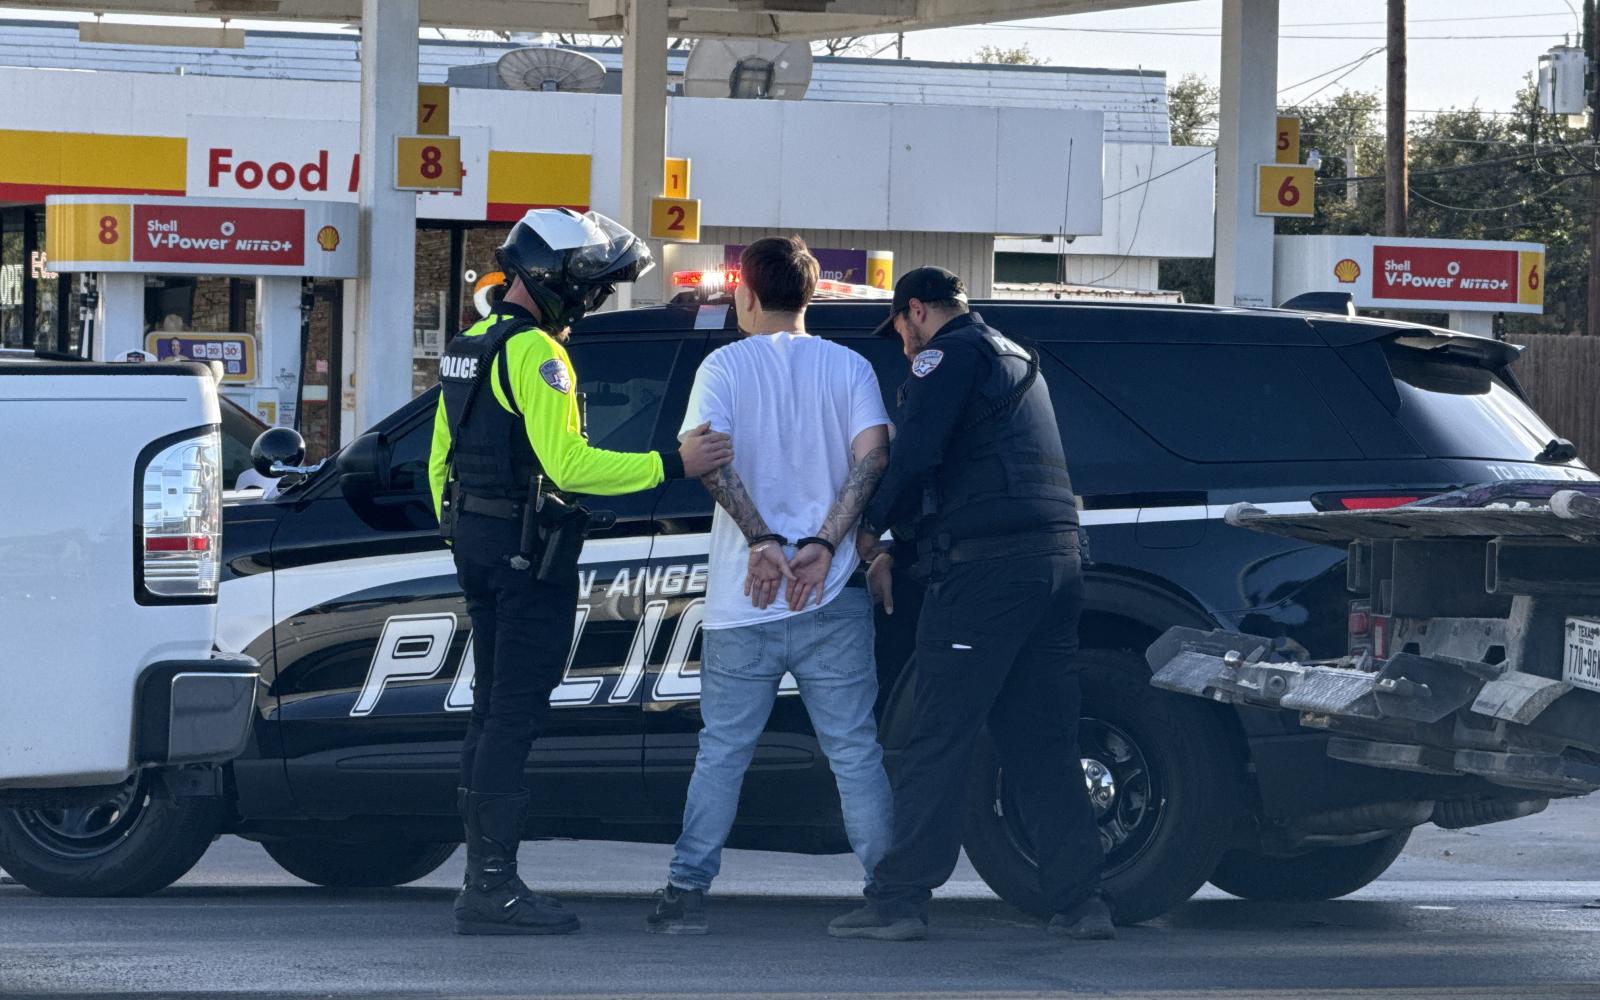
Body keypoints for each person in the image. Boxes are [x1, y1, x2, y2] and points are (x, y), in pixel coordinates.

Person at [427, 208, 733, 936]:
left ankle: (483, 879)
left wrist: (469, 535)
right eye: (589, 288)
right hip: (528, 556)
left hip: (481, 544)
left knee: (489, 706)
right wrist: (673, 465)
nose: (592, 302)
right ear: (553, 278)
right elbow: (569, 465)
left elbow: (437, 462)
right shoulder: (539, 355)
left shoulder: (470, 345)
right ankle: (492, 887)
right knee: (515, 713)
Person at [827, 266, 1112, 943]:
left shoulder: (947, 355)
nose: (900, 344)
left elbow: (916, 454)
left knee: (938, 734)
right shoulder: (1015, 355)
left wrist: (869, 529)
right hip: (1056, 566)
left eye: (898, 327)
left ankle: (899, 901)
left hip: (987, 574)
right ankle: (1082, 902)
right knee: (1041, 741)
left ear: (916, 311)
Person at [645, 236, 894, 935]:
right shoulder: (849, 368)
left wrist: (761, 541)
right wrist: (822, 543)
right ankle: (889, 892)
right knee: (854, 749)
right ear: (809, 295)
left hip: (744, 597)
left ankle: (687, 893)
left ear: (746, 296)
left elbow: (709, 463)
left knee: (723, 750)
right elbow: (872, 460)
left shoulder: (723, 366)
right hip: (831, 590)